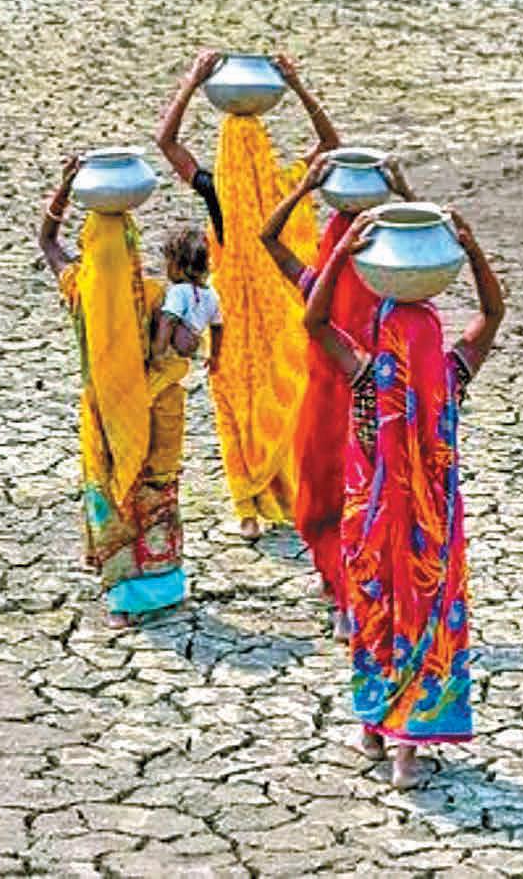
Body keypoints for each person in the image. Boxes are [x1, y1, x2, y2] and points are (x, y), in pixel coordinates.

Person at [301, 207, 505, 788]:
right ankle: (405, 757)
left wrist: (340, 257)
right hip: (429, 535)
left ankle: (372, 728)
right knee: (422, 623)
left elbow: (314, 324)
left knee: (374, 618)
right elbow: (492, 313)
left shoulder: (367, 377)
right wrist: (470, 250)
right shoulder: (450, 378)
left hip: (368, 527)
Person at [155, 50, 339, 540]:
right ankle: (285, 492)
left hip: (230, 319)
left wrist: (192, 82)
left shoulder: (215, 189)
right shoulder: (284, 187)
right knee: (283, 397)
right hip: (279, 312)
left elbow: (166, 142)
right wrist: (297, 87)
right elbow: (331, 145)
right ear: (265, 149)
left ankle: (248, 507)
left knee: (235, 403)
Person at [260, 155, 416, 641]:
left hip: (331, 411)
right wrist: (405, 196)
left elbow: (269, 238)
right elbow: (428, 252)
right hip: (378, 410)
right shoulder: (392, 298)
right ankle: (356, 597)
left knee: (329, 504)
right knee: (371, 505)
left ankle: (344, 597)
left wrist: (305, 187)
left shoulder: (317, 296)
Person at [39, 156, 191, 628]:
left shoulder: (80, 289)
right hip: (155, 413)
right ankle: (163, 587)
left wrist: (65, 189)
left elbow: (47, 240)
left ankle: (122, 601)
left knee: (114, 501)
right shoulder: (153, 293)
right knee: (155, 496)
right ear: (132, 249)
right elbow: (188, 346)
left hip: (102, 417)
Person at [152, 226, 223, 372]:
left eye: (168, 263)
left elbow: (169, 320)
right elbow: (217, 327)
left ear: (178, 267)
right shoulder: (212, 294)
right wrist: (215, 356)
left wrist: (159, 354)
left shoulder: (179, 291)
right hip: (195, 342)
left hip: (180, 340)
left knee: (157, 309)